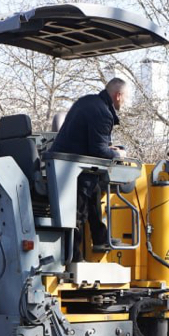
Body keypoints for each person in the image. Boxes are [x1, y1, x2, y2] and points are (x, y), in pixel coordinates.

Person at [49, 77, 130, 251]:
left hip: (65, 164)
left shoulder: (87, 101)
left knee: (94, 192)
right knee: (78, 214)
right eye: (126, 97)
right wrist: (118, 154)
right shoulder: (103, 113)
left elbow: (88, 140)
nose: (125, 102)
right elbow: (98, 151)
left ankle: (100, 238)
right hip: (74, 169)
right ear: (118, 95)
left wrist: (107, 148)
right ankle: (74, 257)